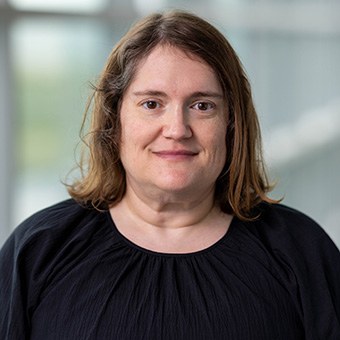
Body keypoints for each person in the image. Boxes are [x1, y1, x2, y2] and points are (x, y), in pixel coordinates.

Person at [0, 10, 339, 340]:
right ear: (114, 122)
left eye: (202, 105)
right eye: (152, 104)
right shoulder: (39, 249)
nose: (177, 129)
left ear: (231, 125)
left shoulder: (301, 251)